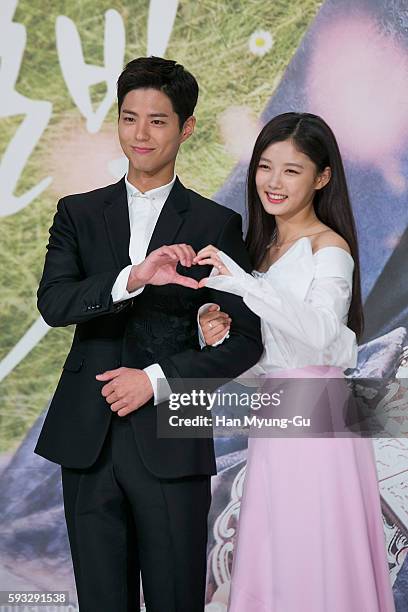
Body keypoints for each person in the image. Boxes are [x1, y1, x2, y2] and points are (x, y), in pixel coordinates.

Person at [34, 56, 263, 612]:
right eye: (129, 117)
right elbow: (55, 303)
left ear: (186, 128)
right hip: (85, 438)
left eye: (158, 120)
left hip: (169, 434)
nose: (141, 133)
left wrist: (155, 380)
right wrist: (132, 278)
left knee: (175, 597)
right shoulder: (78, 213)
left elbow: (246, 339)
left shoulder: (216, 224)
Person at [195, 113, 395, 611]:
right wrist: (218, 340)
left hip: (321, 421)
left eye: (292, 170)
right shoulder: (264, 252)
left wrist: (244, 284)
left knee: (315, 554)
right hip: (275, 414)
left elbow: (326, 339)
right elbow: (270, 365)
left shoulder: (330, 248)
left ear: (321, 177)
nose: (274, 182)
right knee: (277, 553)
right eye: (266, 167)